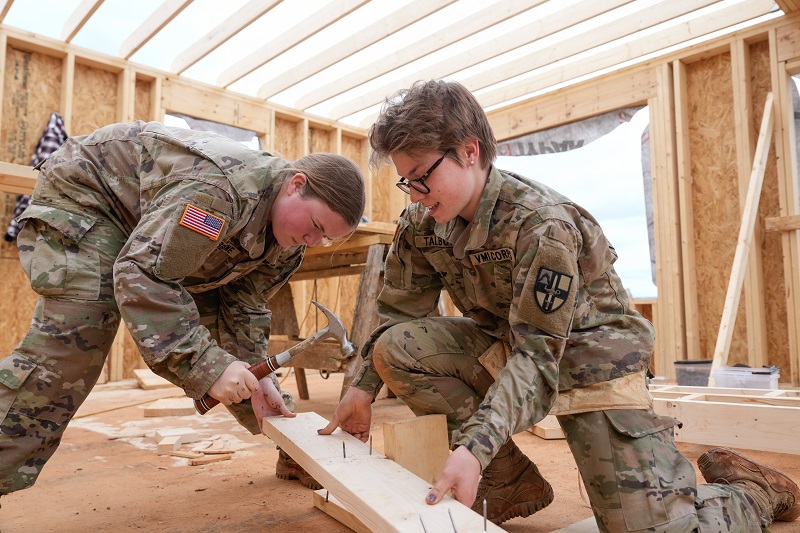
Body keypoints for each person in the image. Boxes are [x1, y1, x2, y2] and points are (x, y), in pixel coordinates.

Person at [319, 80, 800, 531]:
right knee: (397, 347)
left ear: (470, 152)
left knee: (650, 529)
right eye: (406, 182)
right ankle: (508, 482)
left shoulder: (540, 224)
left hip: (593, 366)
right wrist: (361, 389)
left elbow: (538, 358)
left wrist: (472, 448)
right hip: (517, 346)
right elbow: (401, 313)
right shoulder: (421, 223)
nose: (416, 195)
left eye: (422, 177)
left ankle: (749, 491)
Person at [0, 120, 365, 500]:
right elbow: (142, 271)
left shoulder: (288, 245)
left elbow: (244, 310)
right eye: (315, 225)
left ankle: (296, 446)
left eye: (325, 238)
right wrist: (207, 366)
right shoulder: (220, 192)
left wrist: (257, 374)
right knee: (75, 343)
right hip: (91, 195)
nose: (312, 241)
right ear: (296, 184)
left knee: (243, 372)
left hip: (153, 225)